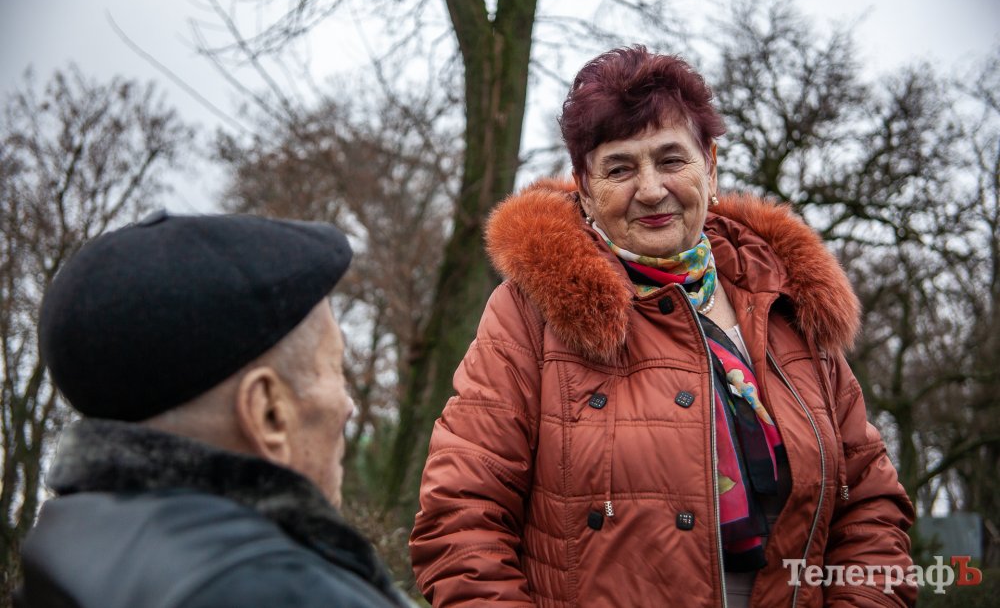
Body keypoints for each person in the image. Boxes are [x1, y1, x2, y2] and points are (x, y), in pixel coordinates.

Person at [410, 46, 916, 607]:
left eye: (671, 160)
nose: (650, 189)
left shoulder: (786, 302)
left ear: (711, 166)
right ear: (584, 186)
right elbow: (461, 520)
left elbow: (869, 506)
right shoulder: (528, 315)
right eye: (620, 168)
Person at [16, 211, 413, 608]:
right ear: (268, 412)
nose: (347, 405)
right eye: (334, 367)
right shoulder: (283, 591)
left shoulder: (72, 546)